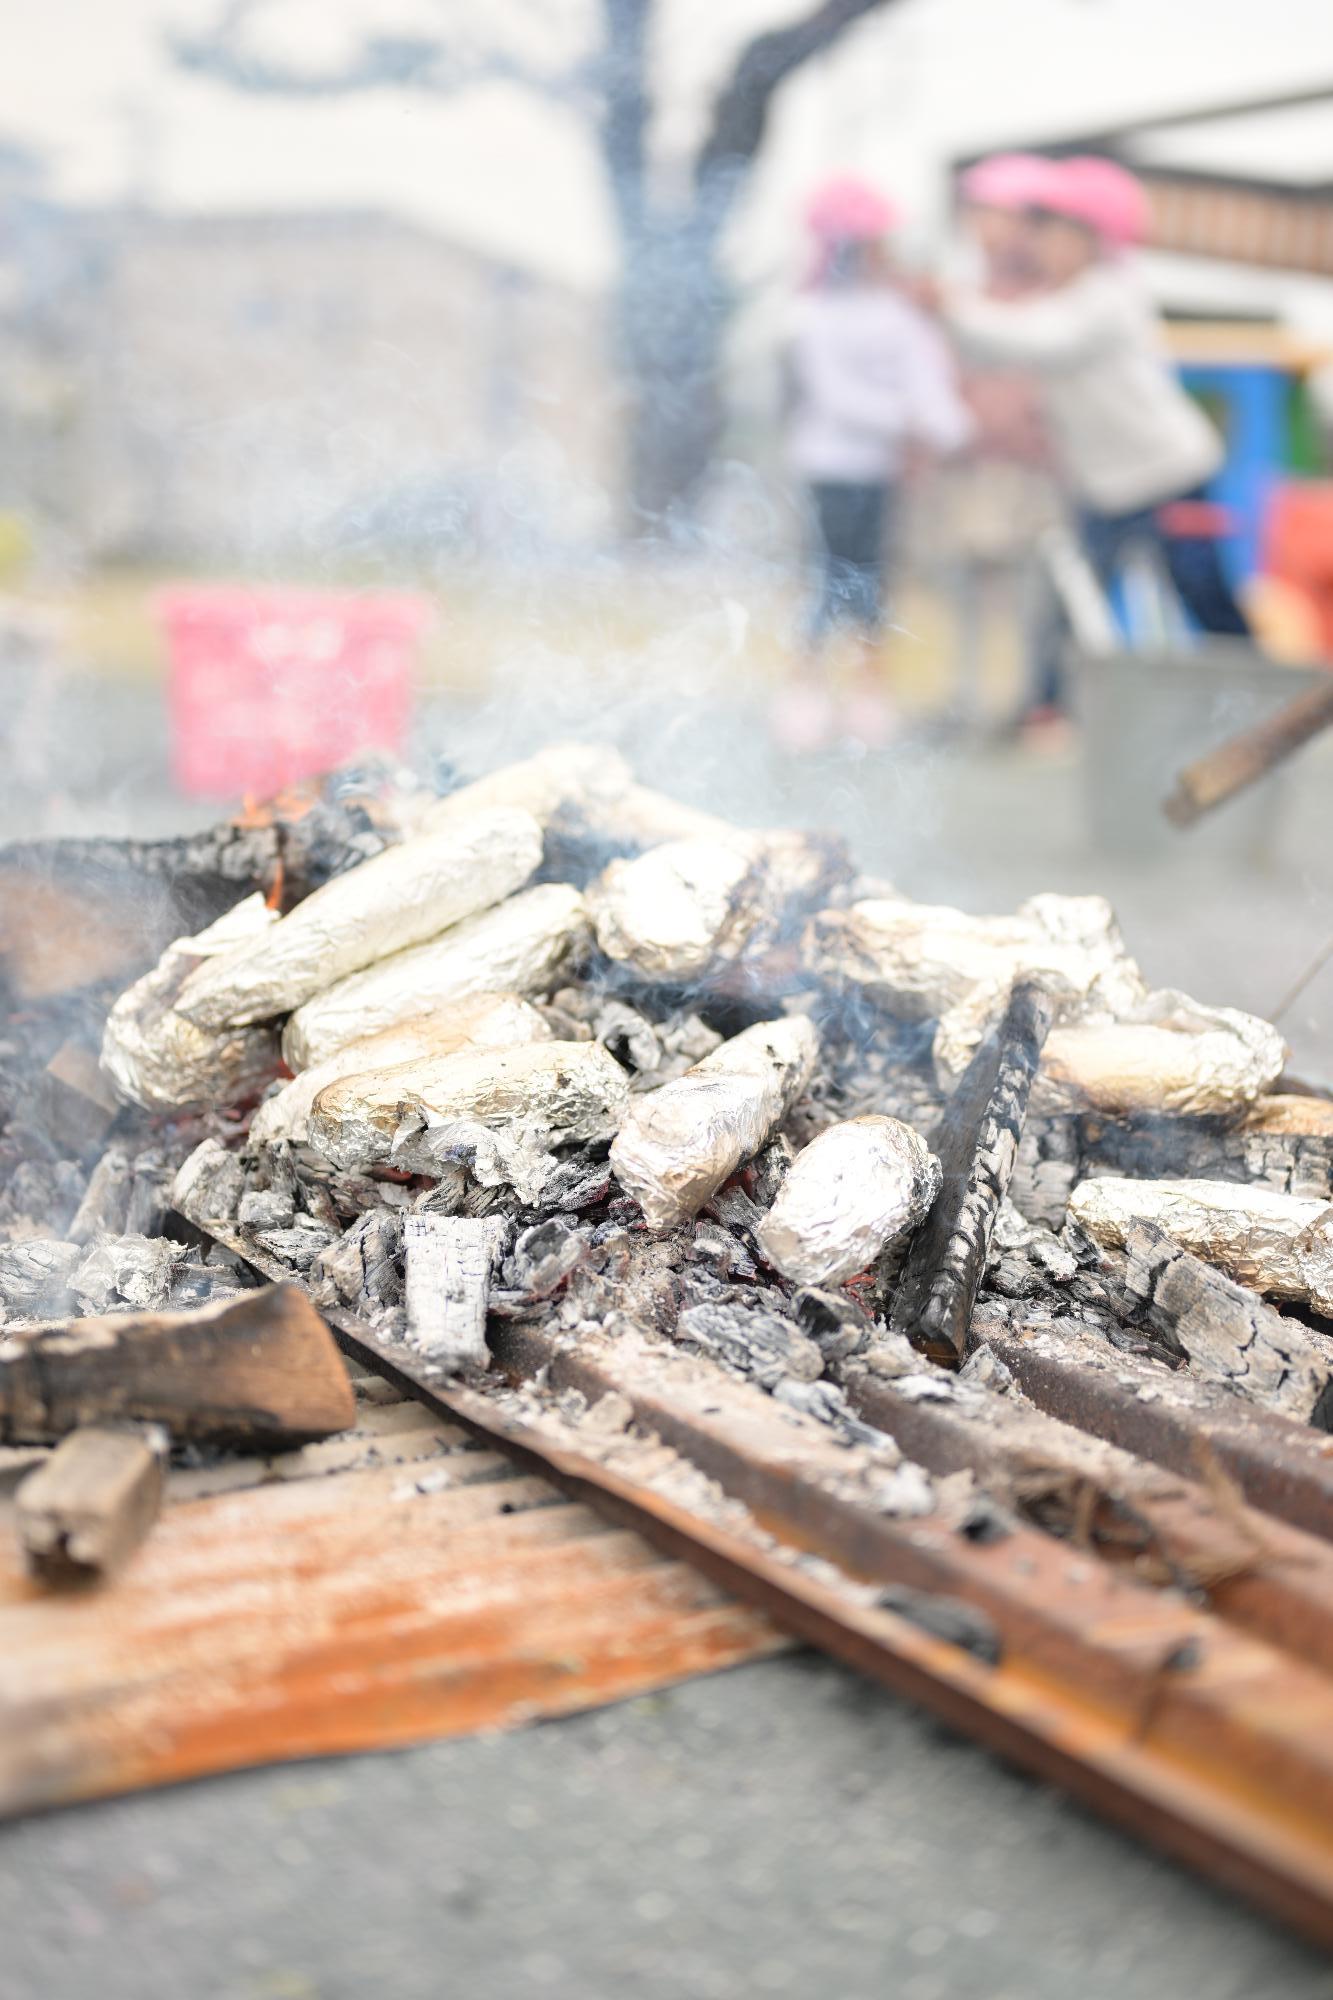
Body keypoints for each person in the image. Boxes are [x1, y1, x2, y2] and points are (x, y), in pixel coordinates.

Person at [943, 155, 1250, 703]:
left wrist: (947, 305)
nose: (1042, 246)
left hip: (1168, 473)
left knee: (1203, 594)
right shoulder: (1068, 298)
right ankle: (1048, 705)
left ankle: (1256, 694)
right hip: (1107, 485)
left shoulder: (1109, 296)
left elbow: (1036, 340)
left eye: (1056, 234)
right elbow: (1004, 338)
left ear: (1096, 240)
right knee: (1075, 598)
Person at [778, 175, 973, 753]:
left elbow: (928, 383)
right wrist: (913, 421)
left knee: (873, 583)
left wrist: (951, 428)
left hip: (879, 473)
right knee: (829, 579)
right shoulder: (812, 314)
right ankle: (805, 691)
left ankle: (868, 694)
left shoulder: (896, 314)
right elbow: (836, 399)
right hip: (829, 468)